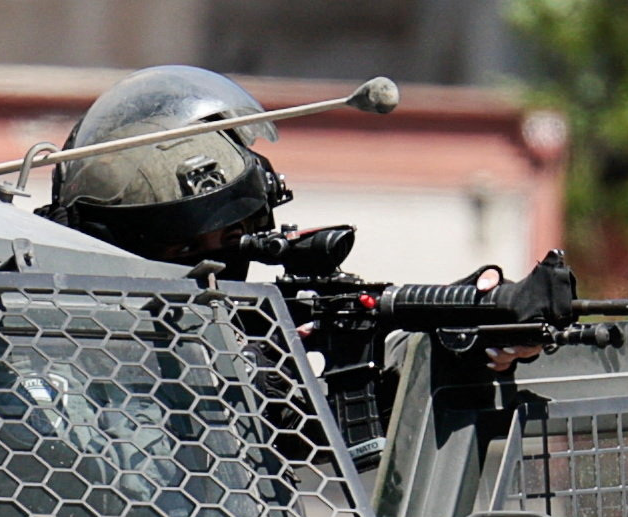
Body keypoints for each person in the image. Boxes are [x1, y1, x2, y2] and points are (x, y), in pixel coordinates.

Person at [36, 64, 541, 372]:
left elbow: (317, 441)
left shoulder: (244, 344)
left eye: (234, 242)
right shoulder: (44, 339)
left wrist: (469, 342)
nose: (219, 270)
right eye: (186, 254)